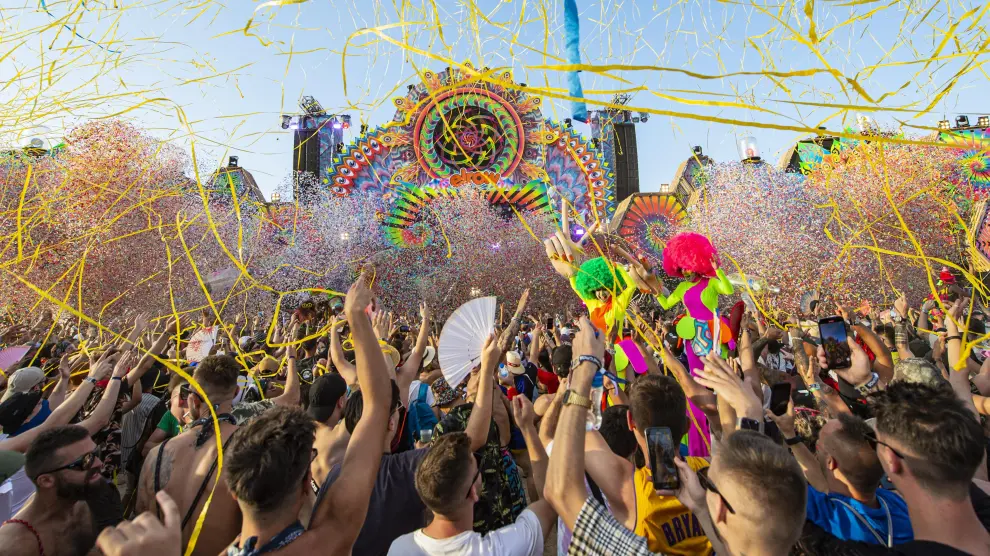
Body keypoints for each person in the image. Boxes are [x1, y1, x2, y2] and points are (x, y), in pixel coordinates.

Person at [221, 271, 394, 556]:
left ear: (233, 489)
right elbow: (376, 405)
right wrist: (358, 318)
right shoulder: (324, 543)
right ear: (305, 483)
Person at [388, 394, 555, 555]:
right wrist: (527, 429)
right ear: (473, 492)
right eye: (477, 470)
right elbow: (549, 501)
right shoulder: (504, 546)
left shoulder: (399, 548)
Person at [134, 354, 251, 555]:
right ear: (236, 392)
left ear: (193, 399)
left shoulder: (156, 454)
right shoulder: (249, 450)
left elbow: (141, 524)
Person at [767, 403, 913, 546]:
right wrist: (790, 435)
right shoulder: (897, 503)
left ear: (831, 462)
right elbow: (823, 482)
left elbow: (758, 477)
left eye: (819, 444)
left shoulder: (821, 515)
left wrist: (750, 417)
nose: (817, 448)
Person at [0, 425, 106, 556]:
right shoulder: (14, 547)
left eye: (96, 454)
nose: (100, 463)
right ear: (46, 481)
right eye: (86, 461)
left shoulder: (87, 500)